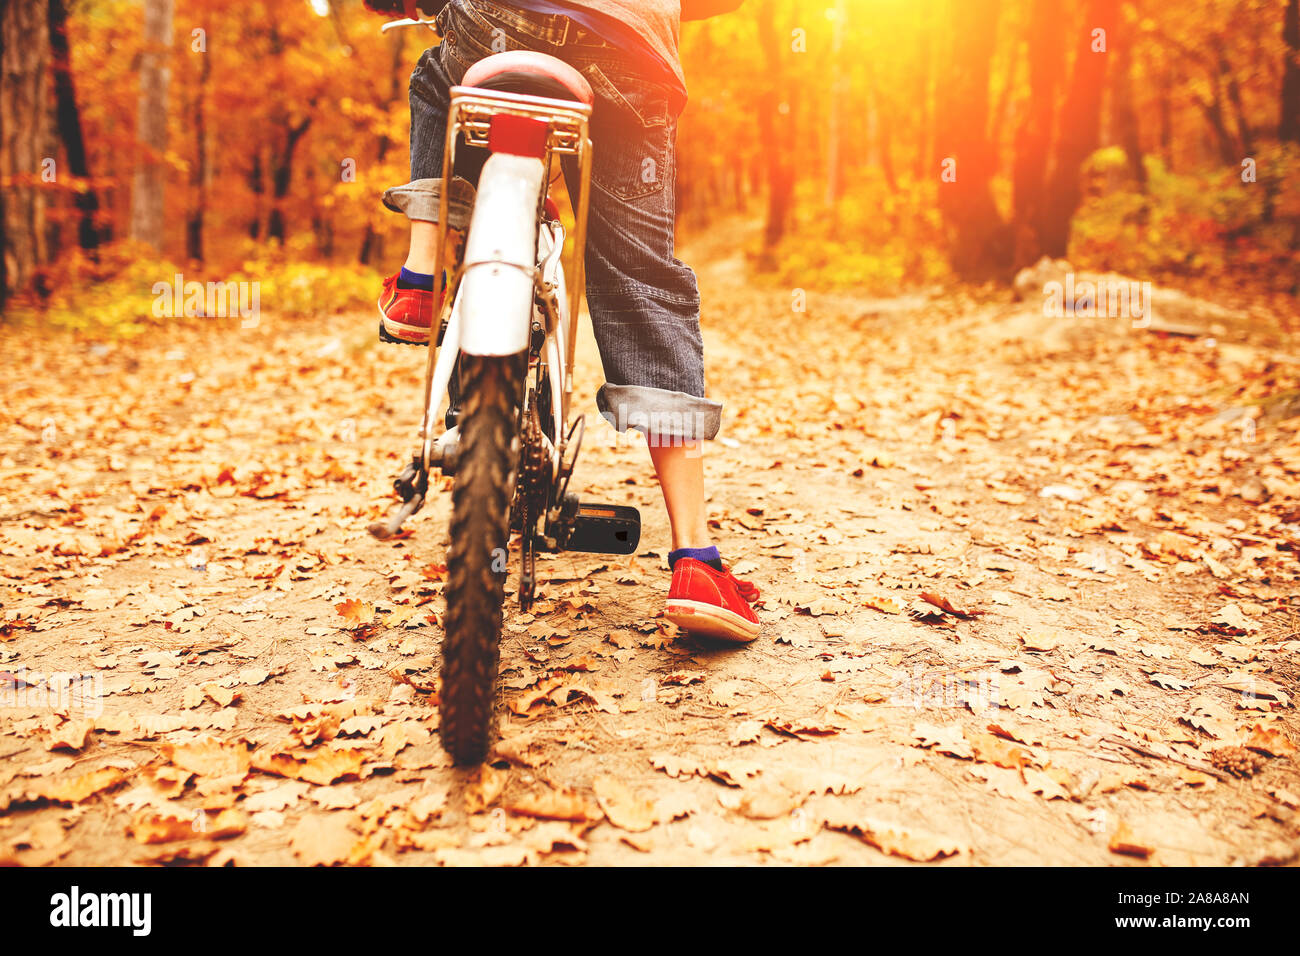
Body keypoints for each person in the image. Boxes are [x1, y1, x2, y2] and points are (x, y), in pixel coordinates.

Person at [367, 0, 760, 642]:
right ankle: (696, 560)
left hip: (499, 24)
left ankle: (418, 279)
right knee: (639, 280)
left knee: (437, 74)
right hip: (629, 57)